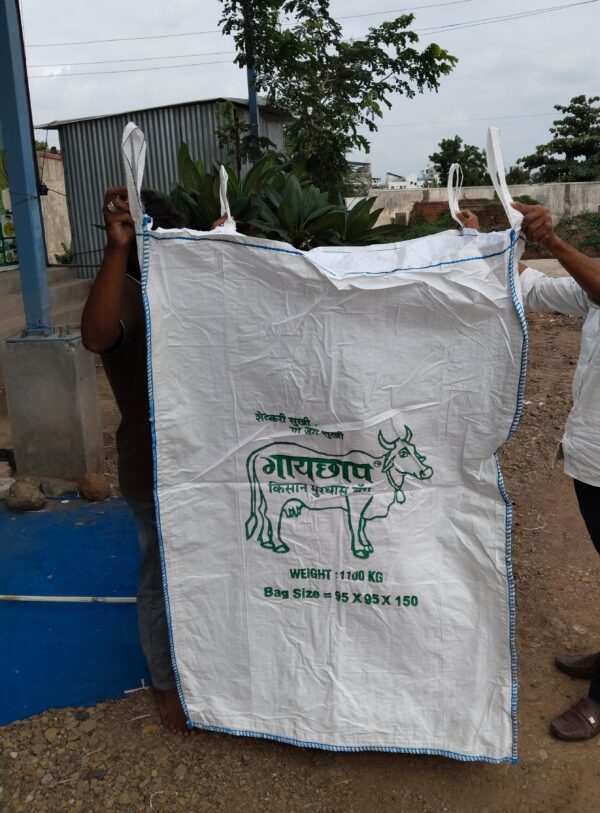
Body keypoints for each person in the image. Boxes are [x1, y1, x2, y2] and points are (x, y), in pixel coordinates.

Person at [81, 186, 226, 735]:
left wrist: (231, 252)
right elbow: (95, 335)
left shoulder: (195, 290)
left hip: (213, 464)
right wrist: (117, 249)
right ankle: (168, 684)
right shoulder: (128, 293)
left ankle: (214, 669)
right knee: (163, 578)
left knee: (211, 570)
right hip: (156, 468)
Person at [460, 203, 600, 741]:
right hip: (592, 456)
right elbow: (536, 289)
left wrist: (555, 243)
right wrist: (481, 245)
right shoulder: (592, 287)